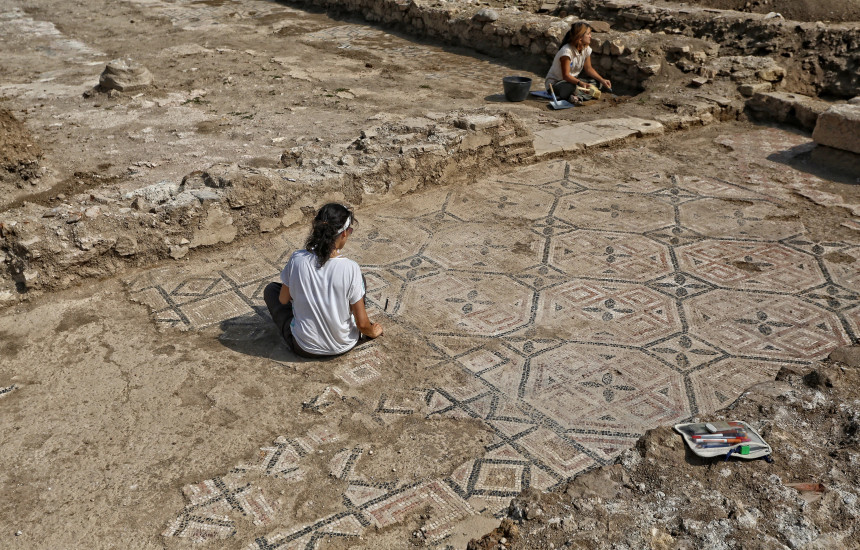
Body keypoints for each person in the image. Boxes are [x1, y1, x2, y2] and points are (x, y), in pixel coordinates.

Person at [264, 203, 383, 358]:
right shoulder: (351, 268)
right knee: (359, 281)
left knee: (271, 290)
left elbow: (284, 299)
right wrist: (372, 331)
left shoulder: (297, 259)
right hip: (344, 344)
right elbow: (362, 325)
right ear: (344, 234)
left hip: (304, 347)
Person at [545, 22, 612, 103]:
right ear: (580, 37)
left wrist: (602, 80)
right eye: (588, 34)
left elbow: (588, 68)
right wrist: (580, 83)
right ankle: (578, 96)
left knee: (595, 82)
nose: (590, 36)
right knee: (571, 87)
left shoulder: (586, 48)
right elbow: (566, 76)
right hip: (557, 84)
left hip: (573, 81)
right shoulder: (566, 52)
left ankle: (576, 96)